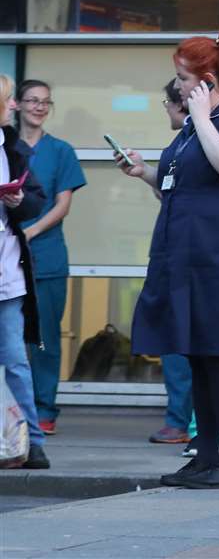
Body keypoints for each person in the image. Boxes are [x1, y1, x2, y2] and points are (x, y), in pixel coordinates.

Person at [122, 28, 219, 489]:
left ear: (207, 80)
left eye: (184, 80)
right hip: (185, 254)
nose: (179, 89)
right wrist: (145, 172)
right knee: (197, 356)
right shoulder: (194, 126)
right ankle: (206, 457)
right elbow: (181, 184)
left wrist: (203, 115)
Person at [14, 80, 85, 437]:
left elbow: (63, 204)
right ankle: (12, 410)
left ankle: (44, 410)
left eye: (45, 102)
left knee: (43, 339)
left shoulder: (61, 151)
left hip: (46, 256)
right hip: (6, 256)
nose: (39, 107)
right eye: (32, 101)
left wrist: (28, 232)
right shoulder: (5, 147)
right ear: (17, 105)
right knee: (9, 339)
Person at [1, 75, 51, 470]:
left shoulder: (11, 149)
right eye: (9, 99)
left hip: (8, 278)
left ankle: (32, 444)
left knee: (17, 361)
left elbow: (36, 200)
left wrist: (19, 200)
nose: (15, 106)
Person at [149, 80, 194, 447]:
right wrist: (142, 172)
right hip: (168, 246)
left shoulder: (198, 141)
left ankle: (183, 420)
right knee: (171, 333)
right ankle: (181, 418)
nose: (166, 107)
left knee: (182, 337)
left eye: (168, 101)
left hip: (186, 251)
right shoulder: (177, 145)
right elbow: (167, 191)